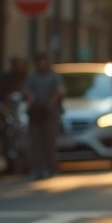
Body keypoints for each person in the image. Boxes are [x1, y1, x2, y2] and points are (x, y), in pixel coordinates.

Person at [23, 51, 63, 180]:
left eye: (44, 61)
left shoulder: (53, 76)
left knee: (49, 141)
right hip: (36, 113)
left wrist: (49, 105)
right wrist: (32, 102)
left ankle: (50, 167)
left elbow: (58, 91)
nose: (42, 64)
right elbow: (27, 91)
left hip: (49, 113)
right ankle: (37, 168)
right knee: (35, 141)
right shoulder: (32, 76)